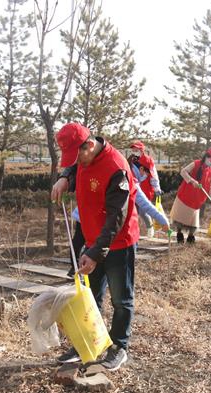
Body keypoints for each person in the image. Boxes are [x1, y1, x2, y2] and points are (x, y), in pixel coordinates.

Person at [51, 123, 138, 370]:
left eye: (78, 156)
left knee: (121, 299)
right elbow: (71, 166)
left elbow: (115, 220)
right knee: (91, 297)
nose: (76, 162)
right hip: (92, 240)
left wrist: (95, 253)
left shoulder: (116, 169)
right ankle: (88, 342)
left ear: (89, 145)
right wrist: (63, 179)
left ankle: (119, 346)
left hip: (118, 243)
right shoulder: (83, 157)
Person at [170, 148, 211, 244]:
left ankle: (190, 236)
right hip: (185, 195)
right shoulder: (196, 164)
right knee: (180, 218)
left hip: (197, 200)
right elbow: (183, 172)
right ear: (206, 157)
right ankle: (179, 234)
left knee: (193, 222)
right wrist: (192, 180)